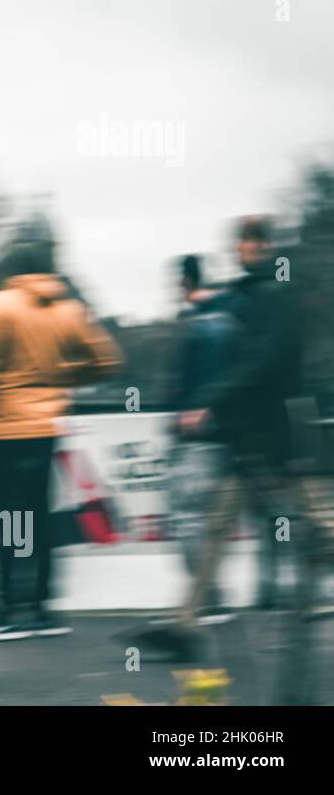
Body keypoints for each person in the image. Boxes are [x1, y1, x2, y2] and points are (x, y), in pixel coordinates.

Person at [144, 216, 312, 661]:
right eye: (241, 242)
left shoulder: (272, 296)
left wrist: (211, 400)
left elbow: (262, 364)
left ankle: (191, 621)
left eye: (251, 242)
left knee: (300, 525)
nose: (244, 249)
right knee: (226, 526)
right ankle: (186, 622)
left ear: (264, 245)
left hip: (270, 435)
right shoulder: (255, 294)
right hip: (258, 435)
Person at [0, 236, 122, 640]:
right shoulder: (68, 310)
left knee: (3, 520)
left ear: (11, 271)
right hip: (46, 428)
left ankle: (6, 610)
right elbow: (107, 360)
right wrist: (62, 380)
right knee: (39, 517)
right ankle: (43, 609)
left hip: (2, 429)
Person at [164, 254, 238, 619]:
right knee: (210, 520)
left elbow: (192, 383)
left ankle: (208, 599)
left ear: (185, 282)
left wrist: (189, 414)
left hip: (198, 435)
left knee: (188, 516)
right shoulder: (229, 316)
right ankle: (213, 597)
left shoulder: (202, 323)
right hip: (225, 434)